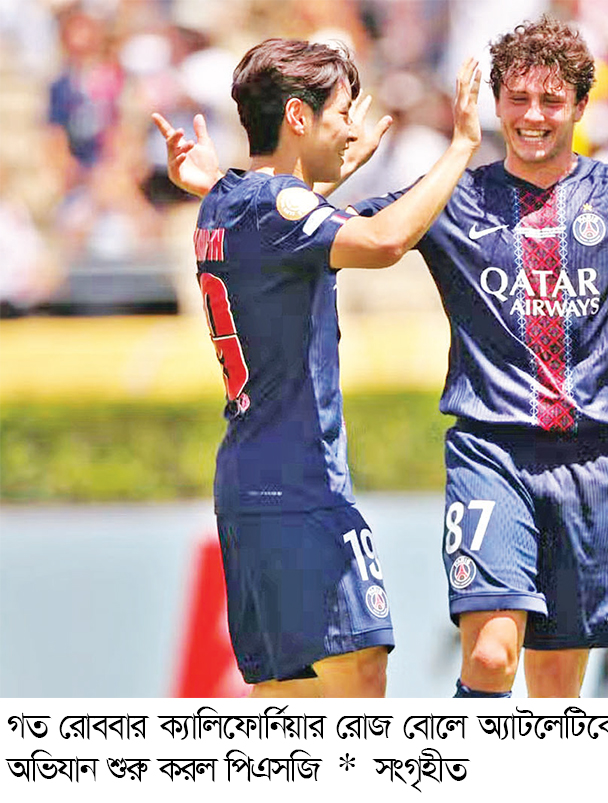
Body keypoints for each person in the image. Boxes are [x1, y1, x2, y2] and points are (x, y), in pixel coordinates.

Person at [163, 16, 608, 698]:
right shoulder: (449, 196)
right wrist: (236, 189)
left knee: (556, 689)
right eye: (518, 98)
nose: (533, 115)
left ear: (580, 107)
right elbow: (322, 232)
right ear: (496, 102)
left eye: (551, 100)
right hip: (490, 454)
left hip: (592, 463)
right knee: (491, 654)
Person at [154, 38, 482, 697]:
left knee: (291, 693)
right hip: (299, 483)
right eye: (340, 114)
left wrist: (330, 174)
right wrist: (462, 146)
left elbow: (282, 222)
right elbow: (385, 239)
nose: (352, 130)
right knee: (359, 672)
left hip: (250, 479)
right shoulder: (275, 206)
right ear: (298, 118)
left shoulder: (223, 201)